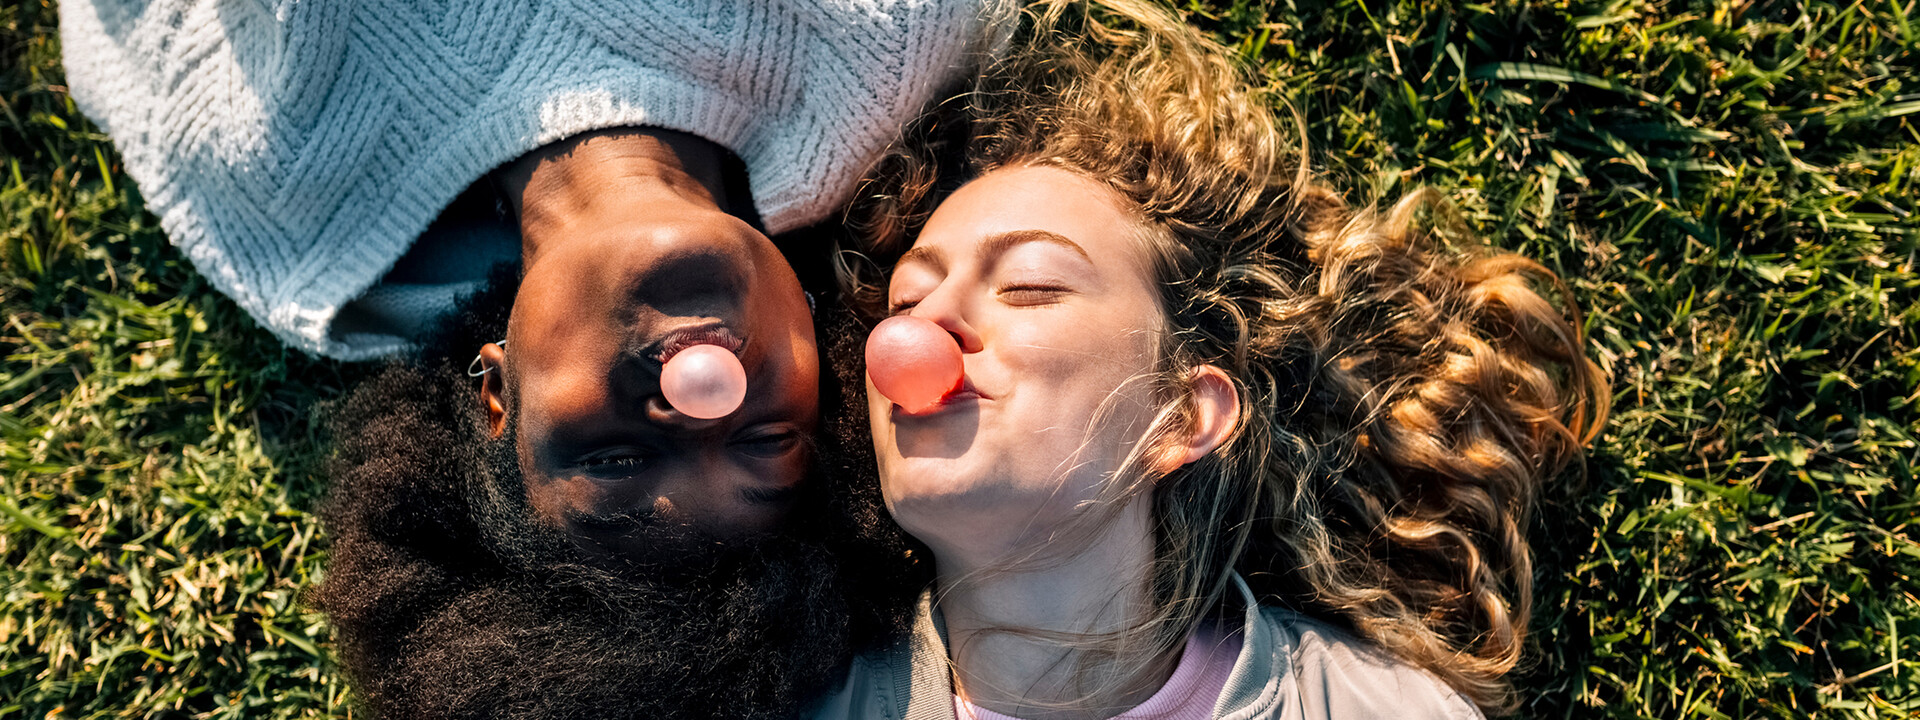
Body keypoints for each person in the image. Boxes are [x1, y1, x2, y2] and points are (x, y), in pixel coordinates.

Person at [819, 1, 1609, 718]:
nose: (928, 327)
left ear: (1182, 415)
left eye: (1028, 285)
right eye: (905, 302)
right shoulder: (793, 700)